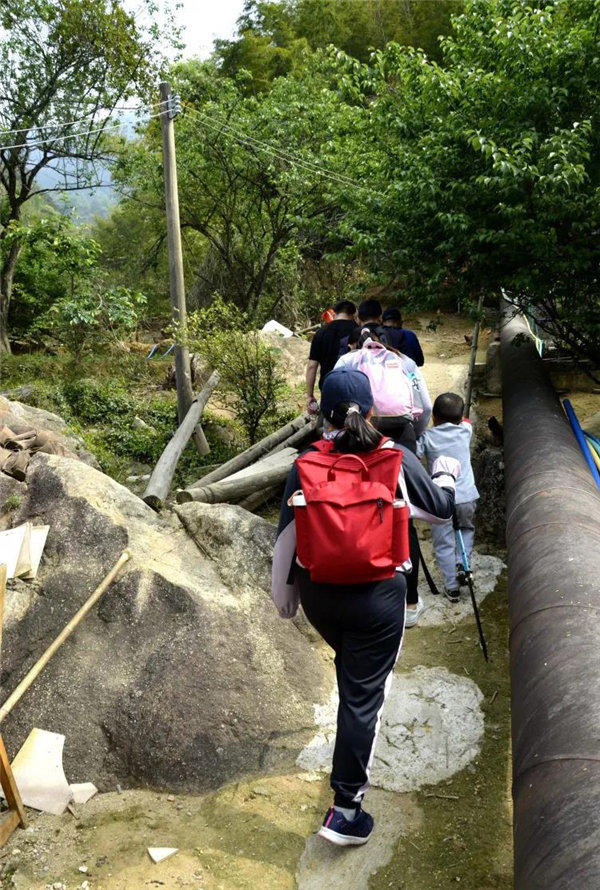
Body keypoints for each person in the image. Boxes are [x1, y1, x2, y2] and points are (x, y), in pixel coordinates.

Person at [271, 368, 459, 846]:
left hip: (320, 596)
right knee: (363, 700)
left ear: (321, 413)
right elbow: (440, 510)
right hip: (377, 597)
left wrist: (284, 598)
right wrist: (446, 475)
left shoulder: (306, 462)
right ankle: (345, 811)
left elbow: (285, 541)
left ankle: (347, 785)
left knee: (353, 673)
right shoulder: (395, 458)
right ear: (373, 409)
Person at [334, 329, 433, 626]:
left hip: (357, 436)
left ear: (356, 342)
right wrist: (414, 436)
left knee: (357, 508)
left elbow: (334, 400)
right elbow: (425, 406)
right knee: (403, 517)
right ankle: (410, 603)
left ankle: (360, 590)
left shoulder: (347, 361)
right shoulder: (404, 362)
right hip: (401, 434)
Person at [417, 392, 479, 601]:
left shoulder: (427, 437)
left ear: (434, 417)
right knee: (466, 529)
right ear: (460, 418)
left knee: (443, 542)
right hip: (466, 496)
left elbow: (414, 453)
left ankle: (452, 587)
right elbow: (467, 421)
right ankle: (464, 563)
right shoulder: (466, 430)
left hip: (440, 499)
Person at [305, 300, 356, 414]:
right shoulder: (358, 331)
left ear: (334, 313)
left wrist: (310, 396)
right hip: (355, 387)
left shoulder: (321, 333)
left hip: (329, 387)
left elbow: (312, 367)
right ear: (354, 315)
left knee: (329, 423)